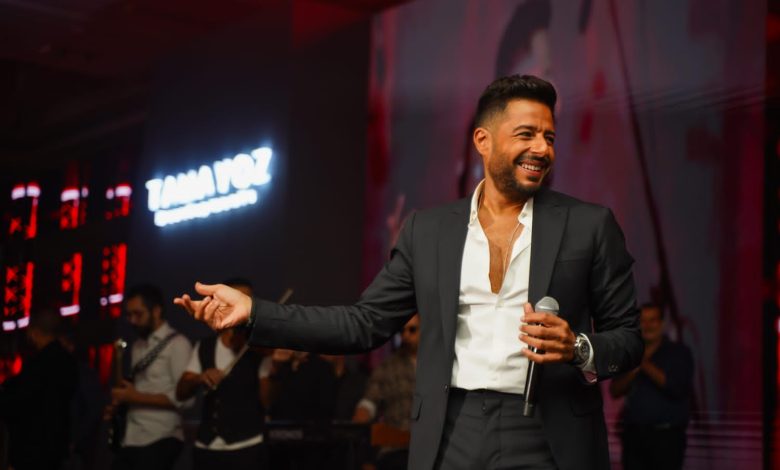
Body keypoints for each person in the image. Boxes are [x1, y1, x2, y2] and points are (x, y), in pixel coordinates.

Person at [175, 74, 642, 470]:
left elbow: (628, 338)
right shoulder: (428, 230)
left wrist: (578, 347)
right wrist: (255, 312)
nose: (541, 148)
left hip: (549, 430)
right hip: (452, 430)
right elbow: (362, 323)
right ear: (483, 140)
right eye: (527, 135)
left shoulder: (589, 225)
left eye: (549, 137)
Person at [176, 278, 268, 469]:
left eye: (247, 301)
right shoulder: (205, 346)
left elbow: (268, 401)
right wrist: (200, 378)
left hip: (247, 446)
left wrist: (276, 368)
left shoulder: (258, 348)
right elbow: (181, 392)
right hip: (206, 447)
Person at [106, 284, 192, 470]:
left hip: (161, 437)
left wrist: (134, 397)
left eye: (138, 314)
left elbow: (187, 400)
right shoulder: (137, 345)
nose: (132, 320)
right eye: (129, 315)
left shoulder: (178, 344)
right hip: (132, 437)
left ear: (156, 311)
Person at [609, 303, 693, 470]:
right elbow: (615, 390)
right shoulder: (630, 354)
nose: (647, 325)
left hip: (667, 438)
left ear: (662, 323)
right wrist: (634, 368)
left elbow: (677, 388)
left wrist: (644, 363)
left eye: (652, 320)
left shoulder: (678, 352)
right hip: (634, 438)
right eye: (643, 321)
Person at [0, 309, 77, 470]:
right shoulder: (68, 362)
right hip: (56, 449)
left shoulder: (36, 366)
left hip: (31, 450)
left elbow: (18, 403)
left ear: (33, 333)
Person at [353, 314, 419, 470]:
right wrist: (363, 412)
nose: (405, 335)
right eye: (402, 331)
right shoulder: (388, 366)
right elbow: (370, 400)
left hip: (434, 446)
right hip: (396, 450)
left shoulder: (439, 364)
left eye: (412, 329)